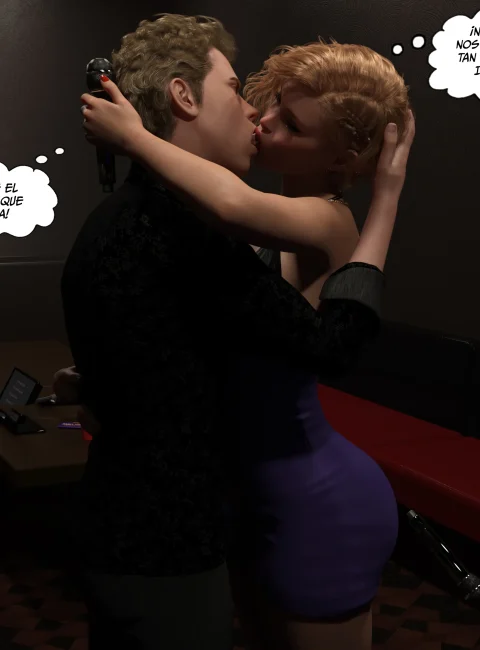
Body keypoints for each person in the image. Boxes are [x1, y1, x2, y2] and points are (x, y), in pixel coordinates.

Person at [64, 14, 413, 650]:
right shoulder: (229, 227)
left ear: (339, 158)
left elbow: (231, 204)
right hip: (241, 502)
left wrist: (135, 138)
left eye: (291, 123)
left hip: (312, 495)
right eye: (261, 100)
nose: (260, 118)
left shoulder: (320, 220)